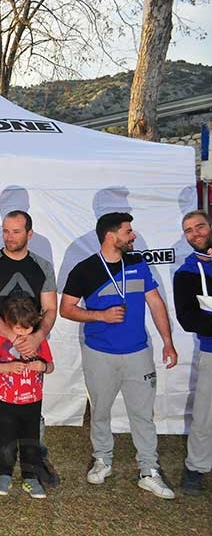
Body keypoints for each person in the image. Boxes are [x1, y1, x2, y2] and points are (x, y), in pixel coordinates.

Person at [60, 212, 178, 499]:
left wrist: (168, 341)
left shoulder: (137, 262)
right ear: (111, 236)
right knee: (100, 411)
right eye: (128, 232)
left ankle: (148, 470)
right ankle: (103, 459)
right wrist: (100, 315)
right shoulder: (85, 270)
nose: (133, 236)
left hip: (138, 353)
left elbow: (155, 303)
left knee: (143, 414)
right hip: (99, 354)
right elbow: (66, 309)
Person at [0, 210, 60, 488]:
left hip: (32, 347)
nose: (9, 237)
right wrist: (10, 338)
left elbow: (50, 308)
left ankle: (37, 461)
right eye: (6, 231)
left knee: (32, 407)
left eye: (16, 232)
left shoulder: (42, 266)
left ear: (30, 234)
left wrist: (38, 336)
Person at [0, 297, 54, 499]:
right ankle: (4, 475)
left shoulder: (39, 341)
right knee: (5, 438)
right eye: (18, 329)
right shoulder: (0, 339)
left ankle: (30, 478)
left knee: (31, 440)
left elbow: (51, 366)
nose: (23, 334)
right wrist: (7, 367)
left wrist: (42, 366)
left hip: (32, 401)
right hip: (6, 400)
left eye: (28, 329)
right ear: (8, 324)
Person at [172, 209, 212, 496]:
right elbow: (188, 319)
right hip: (211, 350)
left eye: (200, 227)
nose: (195, 233)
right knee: (205, 414)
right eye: (189, 230)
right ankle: (196, 466)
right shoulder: (186, 273)